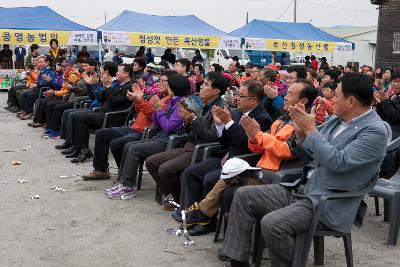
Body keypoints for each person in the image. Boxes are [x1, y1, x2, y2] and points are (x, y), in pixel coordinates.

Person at [220, 73, 389, 267]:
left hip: (327, 201)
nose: (330, 99)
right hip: (304, 188)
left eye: (336, 95)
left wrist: (310, 130)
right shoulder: (337, 119)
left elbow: (338, 162)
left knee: (273, 224)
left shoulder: (374, 131)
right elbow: (309, 154)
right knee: (243, 195)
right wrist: (301, 134)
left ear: (351, 101)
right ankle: (238, 261)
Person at [173, 80, 318, 231]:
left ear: (303, 101)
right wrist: (252, 136)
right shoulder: (281, 119)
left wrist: (257, 135)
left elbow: (286, 151)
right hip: (257, 163)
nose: (284, 97)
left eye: (289, 94)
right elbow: (255, 145)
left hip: (277, 173)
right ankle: (206, 218)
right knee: (198, 173)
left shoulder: (303, 124)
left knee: (224, 179)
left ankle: (202, 214)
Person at [177, 80, 272, 235]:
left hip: (242, 163)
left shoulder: (262, 118)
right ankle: (191, 215)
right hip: (227, 158)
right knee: (191, 172)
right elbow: (225, 141)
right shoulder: (236, 112)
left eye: (241, 95)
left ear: (253, 100)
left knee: (209, 178)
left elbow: (244, 144)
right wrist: (220, 125)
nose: (236, 98)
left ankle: (207, 221)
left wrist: (228, 123)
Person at [146, 71, 228, 205]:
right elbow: (177, 122)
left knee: (165, 169)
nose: (201, 87)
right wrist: (185, 120)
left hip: (200, 149)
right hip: (187, 144)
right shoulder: (195, 100)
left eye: (206, 85)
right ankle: (177, 197)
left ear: (216, 91)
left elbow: (213, 137)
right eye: (202, 84)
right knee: (151, 162)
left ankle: (184, 202)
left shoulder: (220, 108)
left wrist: (193, 120)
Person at [105, 74, 191, 200]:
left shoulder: (183, 104)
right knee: (128, 145)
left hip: (168, 142)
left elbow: (168, 127)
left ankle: (128, 186)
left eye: (169, 86)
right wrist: (156, 109)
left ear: (173, 88)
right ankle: (122, 182)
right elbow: (158, 124)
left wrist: (159, 110)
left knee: (134, 149)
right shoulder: (173, 101)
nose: (166, 87)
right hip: (160, 137)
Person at [82, 70, 178, 181]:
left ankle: (124, 174)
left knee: (116, 144)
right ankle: (101, 170)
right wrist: (136, 100)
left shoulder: (170, 101)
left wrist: (139, 100)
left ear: (172, 84)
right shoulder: (157, 96)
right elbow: (140, 112)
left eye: (163, 81)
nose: (159, 84)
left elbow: (153, 117)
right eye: (159, 80)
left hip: (144, 131)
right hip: (134, 126)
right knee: (101, 133)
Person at [68, 64, 134, 163]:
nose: (116, 73)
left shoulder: (130, 86)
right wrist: (98, 85)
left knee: (80, 118)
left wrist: (107, 87)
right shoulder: (118, 84)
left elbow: (114, 102)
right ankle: (80, 148)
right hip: (103, 112)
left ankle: (84, 150)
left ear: (126, 74)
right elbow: (100, 99)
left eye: (119, 71)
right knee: (77, 116)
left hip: (113, 117)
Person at [18, 55, 56, 120]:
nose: (40, 64)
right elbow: (38, 81)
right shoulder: (40, 70)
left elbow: (49, 83)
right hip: (38, 89)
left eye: (42, 62)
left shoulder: (50, 71)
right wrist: (34, 84)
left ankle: (30, 113)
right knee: (24, 94)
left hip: (45, 90)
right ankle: (25, 110)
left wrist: (37, 85)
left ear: (47, 62)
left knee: (31, 95)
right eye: (39, 62)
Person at [376, 70, 400, 140]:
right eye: (394, 81)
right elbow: (382, 116)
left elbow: (395, 116)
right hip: (386, 130)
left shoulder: (389, 98)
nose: (395, 84)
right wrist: (380, 103)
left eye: (398, 81)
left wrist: (385, 101)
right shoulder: (392, 96)